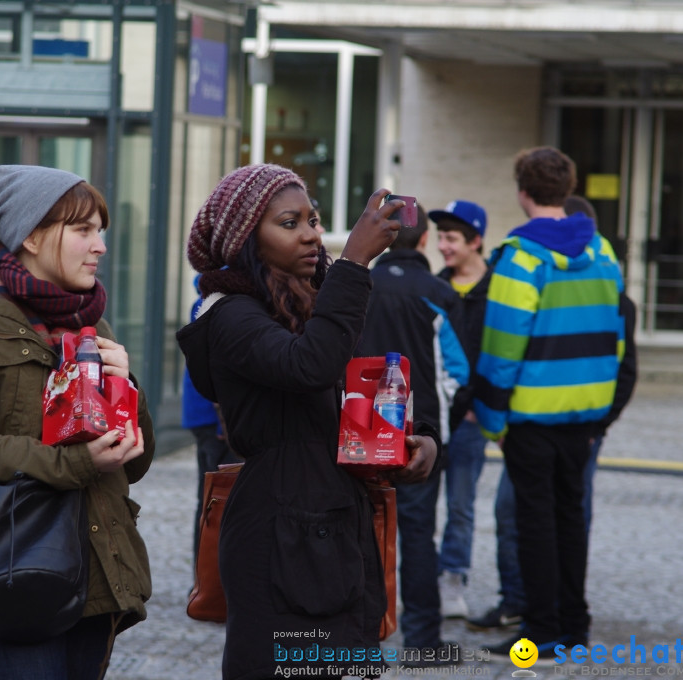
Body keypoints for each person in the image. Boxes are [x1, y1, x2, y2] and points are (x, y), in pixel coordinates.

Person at [176, 163, 443, 679]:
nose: (311, 234)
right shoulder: (229, 316)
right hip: (279, 538)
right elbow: (309, 366)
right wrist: (356, 262)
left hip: (335, 530)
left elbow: (365, 387)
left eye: (314, 220)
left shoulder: (312, 301)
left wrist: (421, 439)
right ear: (245, 239)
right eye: (289, 223)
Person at [0, 164, 156, 679]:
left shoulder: (92, 327)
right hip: (11, 574)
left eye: (99, 231)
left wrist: (127, 388)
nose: (100, 246)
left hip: (96, 579)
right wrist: (79, 462)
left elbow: (135, 460)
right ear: (32, 236)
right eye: (83, 230)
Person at [474, 147, 624, 662]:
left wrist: (492, 417)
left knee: (534, 522)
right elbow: (616, 335)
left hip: (532, 415)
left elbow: (501, 348)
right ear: (566, 188)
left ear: (522, 192)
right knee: (570, 517)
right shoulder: (603, 250)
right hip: (584, 412)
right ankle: (574, 626)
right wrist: (600, 410)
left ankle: (540, 632)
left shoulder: (521, 257)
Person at [355, 204, 469, 666]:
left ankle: (360, 639)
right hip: (419, 438)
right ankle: (422, 641)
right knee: (419, 534)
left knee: (359, 530)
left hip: (356, 429)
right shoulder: (440, 292)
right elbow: (457, 375)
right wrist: (441, 428)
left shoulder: (357, 287)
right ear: (424, 240)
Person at [431, 199, 491, 622]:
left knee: (462, 504)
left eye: (451, 238)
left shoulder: (499, 291)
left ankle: (454, 577)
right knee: (422, 502)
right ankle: (421, 574)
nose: (442, 246)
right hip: (436, 415)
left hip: (471, 420)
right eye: (439, 237)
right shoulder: (435, 287)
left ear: (476, 242)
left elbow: (502, 354)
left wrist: (480, 408)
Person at [182, 273, 237, 560]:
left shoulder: (209, 294)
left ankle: (205, 582)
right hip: (213, 419)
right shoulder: (217, 299)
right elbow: (217, 364)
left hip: (207, 414)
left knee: (211, 500)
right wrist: (223, 419)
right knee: (216, 502)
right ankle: (207, 584)